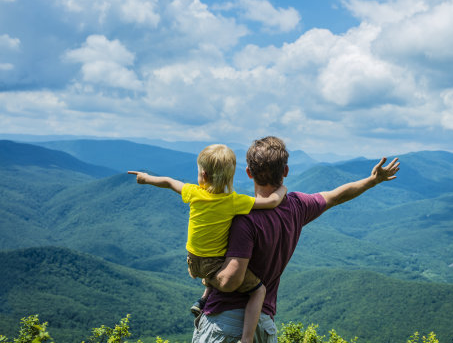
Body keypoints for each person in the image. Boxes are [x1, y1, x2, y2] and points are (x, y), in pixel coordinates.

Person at [193, 136, 400, 343]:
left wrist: (207, 274)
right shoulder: (297, 207)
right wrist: (373, 180)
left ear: (248, 173)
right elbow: (336, 196)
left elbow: (231, 281)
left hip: (226, 325)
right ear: (285, 171)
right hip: (264, 327)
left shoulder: (244, 219)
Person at [128, 143, 287, 343]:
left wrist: (145, 178)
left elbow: (168, 182)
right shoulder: (233, 201)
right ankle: (247, 339)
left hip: (193, 262)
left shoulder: (193, 192)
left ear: (202, 174)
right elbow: (271, 202)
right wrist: (282, 190)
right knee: (259, 290)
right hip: (213, 266)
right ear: (230, 177)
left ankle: (203, 300)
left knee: (217, 261)